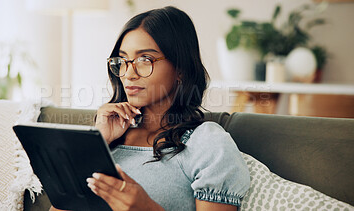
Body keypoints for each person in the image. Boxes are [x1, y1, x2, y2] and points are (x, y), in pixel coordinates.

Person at [50, 6, 250, 211]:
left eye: (145, 59)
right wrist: (97, 142)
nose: (129, 73)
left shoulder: (206, 143)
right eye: (123, 60)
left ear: (180, 69)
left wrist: (145, 207)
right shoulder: (109, 136)